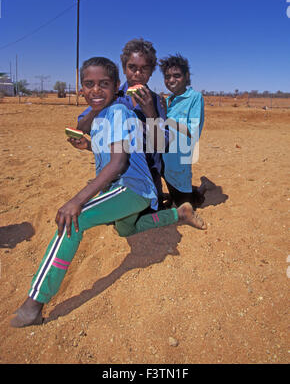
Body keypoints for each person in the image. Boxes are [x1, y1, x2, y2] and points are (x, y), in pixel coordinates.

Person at [11, 56, 205, 328]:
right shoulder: (104, 115)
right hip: (134, 190)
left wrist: (76, 200)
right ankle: (178, 214)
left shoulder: (118, 112)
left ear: (117, 86)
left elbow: (119, 163)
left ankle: (34, 304)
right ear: (81, 88)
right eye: (89, 84)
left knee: (73, 219)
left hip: (130, 187)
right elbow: (118, 151)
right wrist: (88, 147)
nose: (95, 90)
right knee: (126, 229)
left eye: (103, 84)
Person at [74, 38, 169, 209]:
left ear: (151, 71)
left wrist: (150, 113)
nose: (138, 74)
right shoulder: (112, 95)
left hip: (147, 174)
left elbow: (161, 145)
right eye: (132, 67)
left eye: (144, 68)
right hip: (115, 174)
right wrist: (97, 108)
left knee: (143, 215)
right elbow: (82, 128)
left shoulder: (156, 101)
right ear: (125, 68)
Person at [159, 53, 209, 208]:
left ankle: (199, 192)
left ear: (186, 77)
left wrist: (167, 119)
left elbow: (192, 131)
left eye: (177, 75)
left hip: (180, 160)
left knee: (186, 204)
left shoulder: (194, 97)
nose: (171, 80)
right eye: (167, 76)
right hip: (164, 159)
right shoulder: (167, 100)